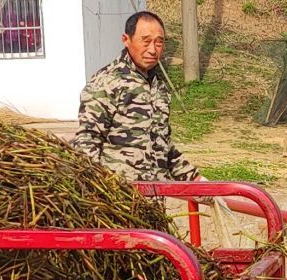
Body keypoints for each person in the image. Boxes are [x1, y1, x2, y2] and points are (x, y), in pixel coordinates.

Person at [73, 10, 199, 183]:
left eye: (159, 42)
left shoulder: (158, 87)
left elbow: (163, 146)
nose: (153, 50)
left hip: (152, 201)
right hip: (118, 201)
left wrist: (197, 180)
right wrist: (100, 192)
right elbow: (86, 142)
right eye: (145, 41)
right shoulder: (107, 82)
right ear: (126, 40)